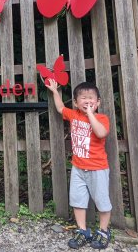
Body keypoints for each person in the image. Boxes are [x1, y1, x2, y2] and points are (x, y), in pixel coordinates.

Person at [45, 79, 112, 250]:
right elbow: (60, 108)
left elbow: (101, 133)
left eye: (91, 98)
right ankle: (83, 231)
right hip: (78, 168)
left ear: (98, 102)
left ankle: (104, 231)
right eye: (83, 98)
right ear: (76, 102)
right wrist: (54, 91)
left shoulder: (102, 118)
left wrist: (90, 114)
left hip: (98, 168)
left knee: (102, 201)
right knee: (77, 200)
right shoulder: (73, 114)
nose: (88, 101)